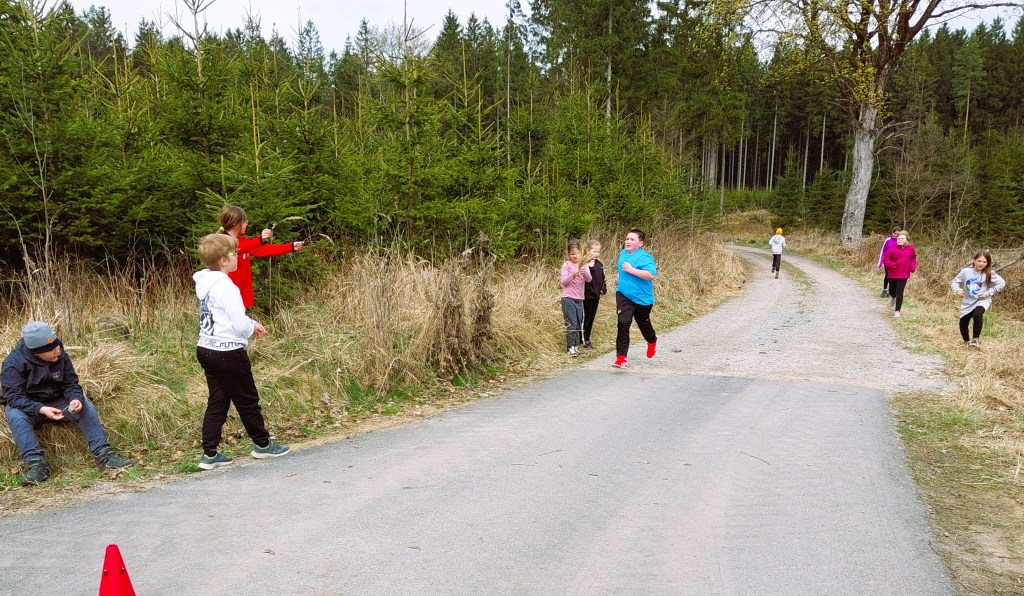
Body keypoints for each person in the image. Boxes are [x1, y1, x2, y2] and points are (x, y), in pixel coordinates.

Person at [194, 233, 289, 470]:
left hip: (206, 348)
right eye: (234, 253)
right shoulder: (227, 287)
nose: (238, 256)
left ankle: (209, 453)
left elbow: (224, 316)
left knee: (218, 400)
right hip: (228, 352)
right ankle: (263, 444)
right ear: (223, 260)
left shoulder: (205, 282)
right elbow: (238, 324)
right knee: (247, 399)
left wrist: (251, 322)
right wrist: (250, 328)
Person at [1, 321, 133, 485]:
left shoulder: (59, 354)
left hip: (58, 401)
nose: (57, 351)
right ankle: (36, 465)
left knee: (86, 406)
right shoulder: (13, 363)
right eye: (51, 350)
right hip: (30, 406)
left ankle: (105, 455)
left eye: (57, 345)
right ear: (37, 353)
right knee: (14, 415)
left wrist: (75, 398)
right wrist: (41, 409)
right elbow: (13, 397)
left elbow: (71, 383)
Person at [218, 204, 305, 309]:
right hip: (228, 292)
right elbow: (240, 248)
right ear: (236, 224)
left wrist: (290, 247)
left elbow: (265, 249)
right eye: (244, 221)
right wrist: (260, 239)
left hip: (240, 291)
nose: (247, 223)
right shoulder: (222, 242)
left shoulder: (244, 241)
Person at [612, 229, 657, 369]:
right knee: (623, 323)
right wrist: (619, 276)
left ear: (640, 243)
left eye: (632, 239)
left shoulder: (645, 258)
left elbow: (651, 275)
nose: (628, 241)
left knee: (643, 323)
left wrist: (631, 270)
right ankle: (621, 357)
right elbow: (621, 268)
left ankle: (652, 341)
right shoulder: (623, 253)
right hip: (623, 294)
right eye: (627, 239)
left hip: (642, 298)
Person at [951, 250, 1006, 348]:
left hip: (982, 300)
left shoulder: (989, 273)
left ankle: (975, 339)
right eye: (979, 261)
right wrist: (957, 290)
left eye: (984, 262)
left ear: (987, 263)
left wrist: (988, 293)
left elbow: (1002, 283)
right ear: (974, 260)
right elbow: (955, 282)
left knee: (977, 314)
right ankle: (966, 342)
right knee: (963, 322)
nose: (981, 264)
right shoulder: (966, 271)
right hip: (968, 301)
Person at [560, 241, 592, 356]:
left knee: (579, 323)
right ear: (569, 254)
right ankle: (570, 347)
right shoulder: (566, 265)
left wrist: (585, 272)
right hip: (568, 297)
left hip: (580, 299)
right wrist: (572, 275)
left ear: (581, 253)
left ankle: (576, 345)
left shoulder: (584, 264)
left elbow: (589, 279)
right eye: (572, 253)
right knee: (571, 323)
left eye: (577, 253)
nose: (575, 256)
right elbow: (563, 282)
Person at [882, 230, 916, 318]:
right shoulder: (892, 248)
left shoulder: (910, 249)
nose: (900, 240)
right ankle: (893, 297)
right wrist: (892, 264)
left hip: (904, 274)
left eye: (902, 238)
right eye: (898, 238)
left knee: (899, 293)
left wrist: (912, 267)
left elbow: (913, 258)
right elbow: (885, 259)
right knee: (892, 291)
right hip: (892, 274)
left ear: (906, 239)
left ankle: (897, 311)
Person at [582, 240, 607, 349]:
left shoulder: (599, 264)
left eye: (598, 252)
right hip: (587, 296)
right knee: (586, 318)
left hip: (596, 295)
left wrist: (603, 288)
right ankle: (583, 339)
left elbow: (602, 278)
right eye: (594, 251)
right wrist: (588, 265)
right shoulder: (585, 264)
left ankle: (587, 338)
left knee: (591, 318)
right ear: (588, 250)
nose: (597, 254)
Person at [877, 226, 900, 298]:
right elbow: (883, 251)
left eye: (898, 234)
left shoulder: (900, 241)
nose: (896, 235)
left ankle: (891, 291)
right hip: (887, 261)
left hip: (896, 262)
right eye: (895, 233)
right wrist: (880, 263)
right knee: (888, 274)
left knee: (894, 277)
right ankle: (884, 289)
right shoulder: (888, 240)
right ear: (892, 233)